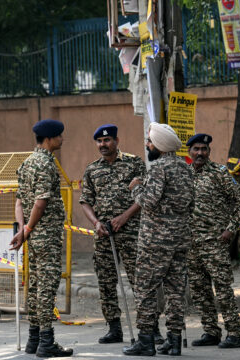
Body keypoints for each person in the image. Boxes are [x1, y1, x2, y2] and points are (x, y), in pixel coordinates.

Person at [80, 124, 161, 344]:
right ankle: (114, 328)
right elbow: (85, 201)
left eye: (107, 141)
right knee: (106, 283)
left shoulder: (134, 163)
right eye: (99, 141)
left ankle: (151, 328)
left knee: (141, 282)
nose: (102, 145)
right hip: (104, 235)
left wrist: (125, 216)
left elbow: (145, 196)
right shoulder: (92, 170)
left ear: (116, 141)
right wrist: (96, 222)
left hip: (132, 233)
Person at [122, 123, 195, 356]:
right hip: (181, 239)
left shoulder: (158, 168)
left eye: (150, 141)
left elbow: (148, 201)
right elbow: (190, 203)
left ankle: (145, 341)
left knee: (145, 289)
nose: (147, 145)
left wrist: (135, 188)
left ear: (160, 145)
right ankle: (173, 341)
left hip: (155, 241)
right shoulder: (186, 167)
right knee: (175, 290)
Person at [10, 119, 73, 358]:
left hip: (33, 235)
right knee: (46, 287)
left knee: (35, 286)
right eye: (60, 136)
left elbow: (19, 201)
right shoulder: (46, 164)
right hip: (45, 235)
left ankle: (33, 338)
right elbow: (41, 201)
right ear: (49, 139)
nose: (62, 139)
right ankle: (46, 342)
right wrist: (26, 230)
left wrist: (23, 229)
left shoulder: (26, 163)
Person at [186, 133, 240, 349]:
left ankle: (235, 333)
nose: (200, 153)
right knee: (199, 290)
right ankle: (211, 331)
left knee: (222, 289)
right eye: (196, 149)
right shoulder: (185, 174)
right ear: (189, 152)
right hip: (191, 245)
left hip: (214, 242)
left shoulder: (219, 173)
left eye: (204, 149)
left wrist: (231, 229)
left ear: (209, 151)